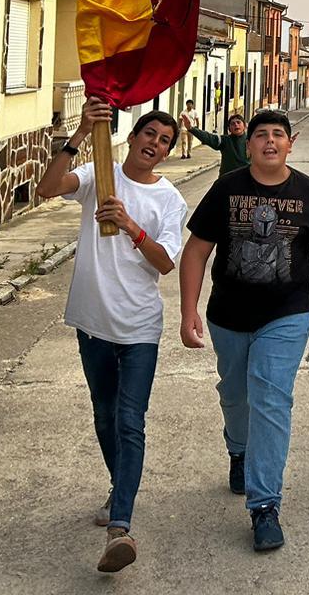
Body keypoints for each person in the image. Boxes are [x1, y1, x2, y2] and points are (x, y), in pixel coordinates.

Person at [35, 98, 187, 574]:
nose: (155, 145)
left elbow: (164, 263)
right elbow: (45, 188)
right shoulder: (99, 177)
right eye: (149, 135)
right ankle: (118, 488)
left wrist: (130, 226)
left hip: (140, 326)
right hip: (93, 323)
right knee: (104, 416)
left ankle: (121, 526)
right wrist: (80, 134)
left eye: (164, 141)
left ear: (166, 153)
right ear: (134, 137)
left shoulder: (169, 200)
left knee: (129, 421)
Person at [179, 109, 309, 552]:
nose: (270, 141)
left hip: (287, 314)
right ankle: (238, 448)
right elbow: (195, 252)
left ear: (291, 144)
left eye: (278, 135)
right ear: (248, 145)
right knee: (235, 392)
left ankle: (265, 505)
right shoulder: (226, 190)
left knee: (271, 398)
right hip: (228, 314)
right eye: (261, 135)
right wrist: (187, 311)